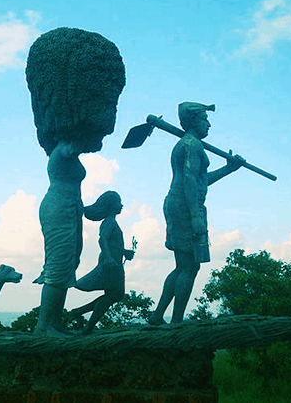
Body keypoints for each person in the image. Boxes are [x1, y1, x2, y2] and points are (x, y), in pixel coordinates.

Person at [148, 102, 244, 325]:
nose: (208, 123)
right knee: (190, 266)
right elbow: (190, 180)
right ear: (193, 121)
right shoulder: (193, 146)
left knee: (184, 266)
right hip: (185, 206)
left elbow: (202, 180)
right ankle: (177, 321)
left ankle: (157, 315)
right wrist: (195, 216)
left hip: (181, 203)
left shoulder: (189, 145)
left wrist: (230, 168)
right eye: (204, 118)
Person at [32, 139, 89, 336]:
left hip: (70, 208)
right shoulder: (65, 147)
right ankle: (43, 326)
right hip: (59, 208)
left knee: (69, 263)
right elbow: (75, 145)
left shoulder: (65, 149)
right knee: (59, 265)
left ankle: (54, 323)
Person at [70, 191, 136, 334]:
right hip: (111, 264)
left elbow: (113, 244)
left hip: (113, 262)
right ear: (112, 206)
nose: (122, 205)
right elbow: (103, 239)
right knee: (114, 295)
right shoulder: (109, 223)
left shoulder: (112, 222)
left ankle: (80, 313)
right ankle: (87, 326)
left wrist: (124, 252)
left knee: (114, 295)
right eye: (119, 203)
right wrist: (107, 257)